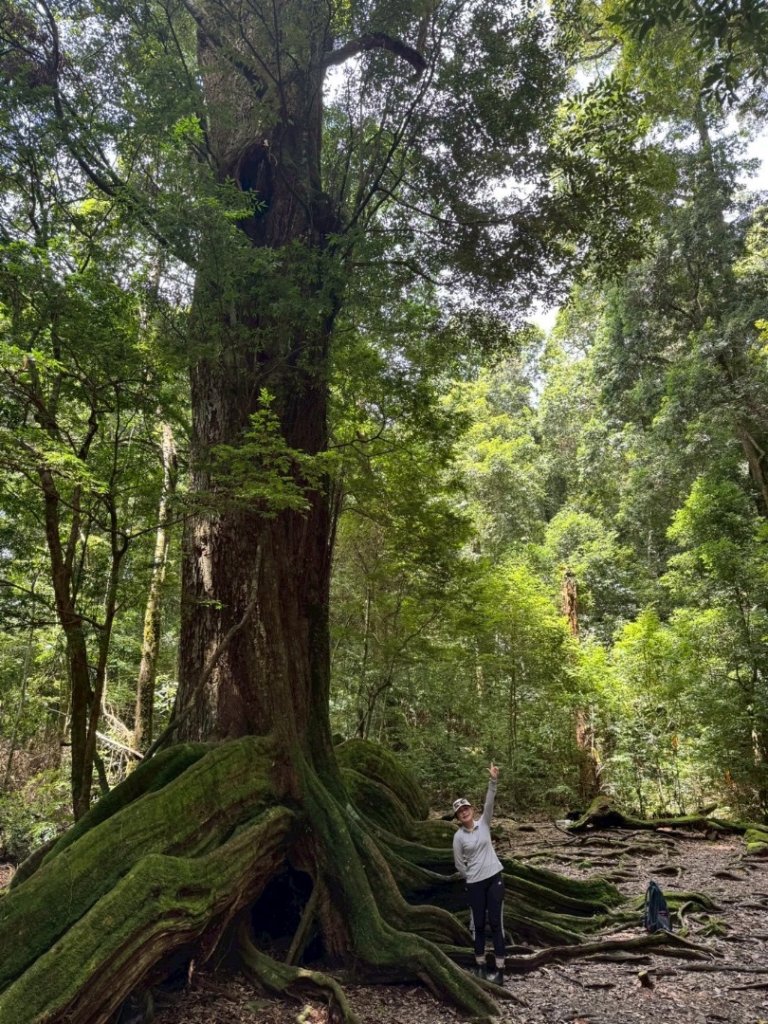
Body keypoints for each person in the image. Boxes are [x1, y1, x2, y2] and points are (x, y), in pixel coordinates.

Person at [452, 762, 506, 985]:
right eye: (460, 812)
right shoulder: (458, 837)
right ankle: (481, 967)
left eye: (466, 809)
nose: (464, 813)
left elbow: (489, 801)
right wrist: (472, 876)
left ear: (471, 810)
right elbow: (459, 865)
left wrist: (493, 780)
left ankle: (500, 972)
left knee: (496, 923)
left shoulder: (484, 823)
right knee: (479, 925)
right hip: (475, 884)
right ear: (457, 817)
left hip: (494, 878)